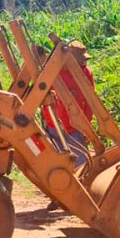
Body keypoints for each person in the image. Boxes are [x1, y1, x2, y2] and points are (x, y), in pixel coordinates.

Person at [41, 40, 95, 169]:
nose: (84, 63)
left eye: (84, 61)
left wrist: (86, 127)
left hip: (75, 127)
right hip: (54, 126)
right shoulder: (52, 72)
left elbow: (90, 102)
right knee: (61, 166)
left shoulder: (86, 73)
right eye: (80, 60)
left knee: (82, 166)